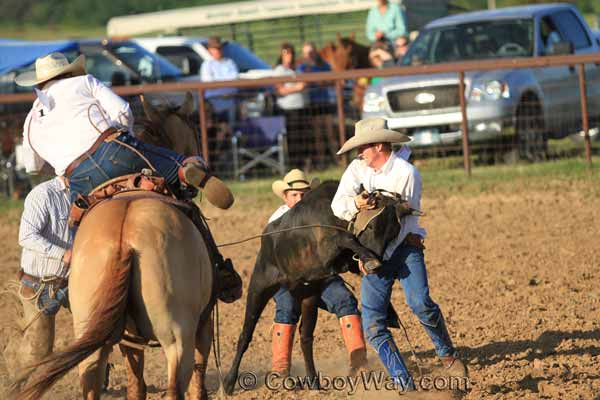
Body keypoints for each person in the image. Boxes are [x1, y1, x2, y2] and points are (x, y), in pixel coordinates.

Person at [16, 52, 241, 303]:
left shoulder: (30, 120)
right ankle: (218, 265)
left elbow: (33, 166)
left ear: (38, 84)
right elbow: (123, 112)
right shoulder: (84, 82)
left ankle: (75, 283)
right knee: (179, 177)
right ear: (69, 72)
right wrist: (125, 137)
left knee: (79, 236)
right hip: (115, 150)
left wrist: (63, 164)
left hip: (79, 179)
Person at [331, 117, 467, 392]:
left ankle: (448, 355)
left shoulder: (406, 173)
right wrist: (355, 203)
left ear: (379, 145)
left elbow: (402, 223)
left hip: (403, 247)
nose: (359, 153)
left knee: (420, 302)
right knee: (373, 326)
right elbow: (338, 205)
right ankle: (405, 385)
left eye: (364, 147)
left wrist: (374, 255)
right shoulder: (358, 169)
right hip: (374, 252)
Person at [268, 169, 368, 376]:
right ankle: (280, 368)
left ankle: (359, 362)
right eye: (294, 194)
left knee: (345, 300)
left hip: (321, 277)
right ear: (285, 197)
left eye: (304, 194)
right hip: (286, 279)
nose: (300, 198)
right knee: (286, 306)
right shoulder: (277, 220)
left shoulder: (321, 216)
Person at [5, 176, 72, 370]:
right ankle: (11, 385)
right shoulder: (43, 194)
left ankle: (99, 376)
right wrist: (62, 254)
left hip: (74, 280)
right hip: (40, 283)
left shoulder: (88, 192)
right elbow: (26, 236)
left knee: (97, 332)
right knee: (38, 350)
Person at [297, 42, 337, 168]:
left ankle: (337, 159)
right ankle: (321, 162)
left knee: (330, 133)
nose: (310, 55)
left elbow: (331, 80)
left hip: (325, 101)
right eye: (307, 53)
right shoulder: (303, 67)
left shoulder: (324, 65)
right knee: (318, 135)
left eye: (312, 51)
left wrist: (321, 81)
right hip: (313, 104)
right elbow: (303, 82)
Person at [200, 36, 239, 158]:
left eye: (220, 48)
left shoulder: (230, 63)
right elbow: (209, 84)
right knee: (213, 134)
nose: (219, 50)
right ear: (210, 50)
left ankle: (223, 158)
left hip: (229, 105)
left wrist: (220, 87)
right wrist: (226, 87)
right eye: (216, 48)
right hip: (213, 106)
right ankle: (214, 158)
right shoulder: (207, 65)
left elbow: (235, 82)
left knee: (227, 133)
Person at [273, 43, 308, 168]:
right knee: (292, 139)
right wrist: (297, 88)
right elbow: (279, 90)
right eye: (286, 53)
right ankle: (294, 165)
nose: (289, 56)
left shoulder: (297, 70)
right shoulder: (279, 71)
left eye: (291, 53)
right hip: (288, 110)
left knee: (302, 137)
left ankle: (303, 163)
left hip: (301, 108)